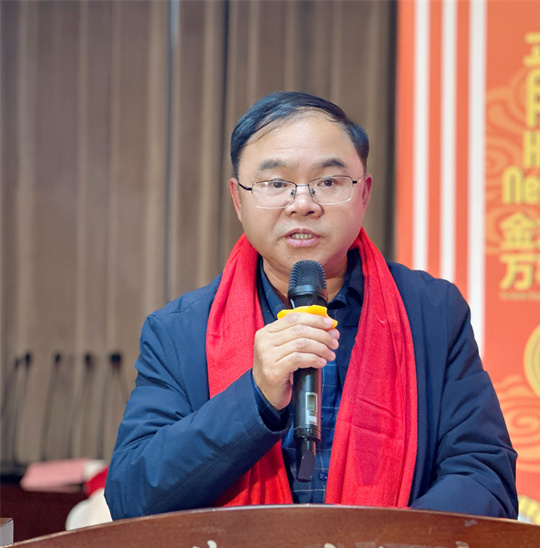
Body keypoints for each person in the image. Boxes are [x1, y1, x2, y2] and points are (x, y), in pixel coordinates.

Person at [105, 91, 517, 519]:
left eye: (328, 182)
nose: (303, 204)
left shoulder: (431, 312)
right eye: (276, 184)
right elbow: (132, 496)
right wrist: (255, 396)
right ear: (238, 199)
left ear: (364, 193)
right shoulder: (180, 331)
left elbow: (484, 475)